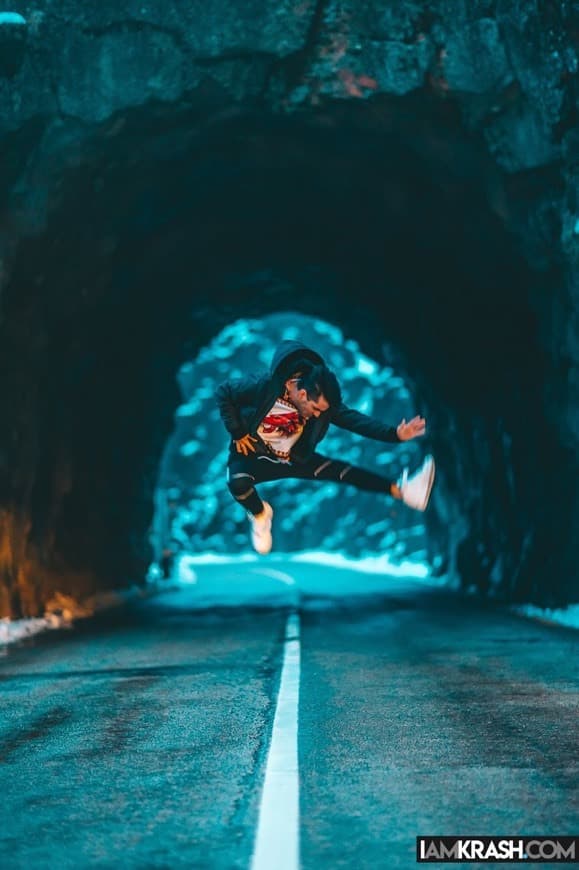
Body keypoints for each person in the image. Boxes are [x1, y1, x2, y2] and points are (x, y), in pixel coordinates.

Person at [216, 340, 435, 554]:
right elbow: (225, 392)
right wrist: (238, 432)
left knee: (341, 472)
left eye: (323, 411)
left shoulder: (324, 404)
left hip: (292, 458)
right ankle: (261, 515)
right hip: (252, 454)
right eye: (315, 408)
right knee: (237, 484)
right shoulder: (264, 387)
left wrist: (395, 434)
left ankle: (404, 490)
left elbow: (356, 421)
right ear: (302, 394)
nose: (319, 415)